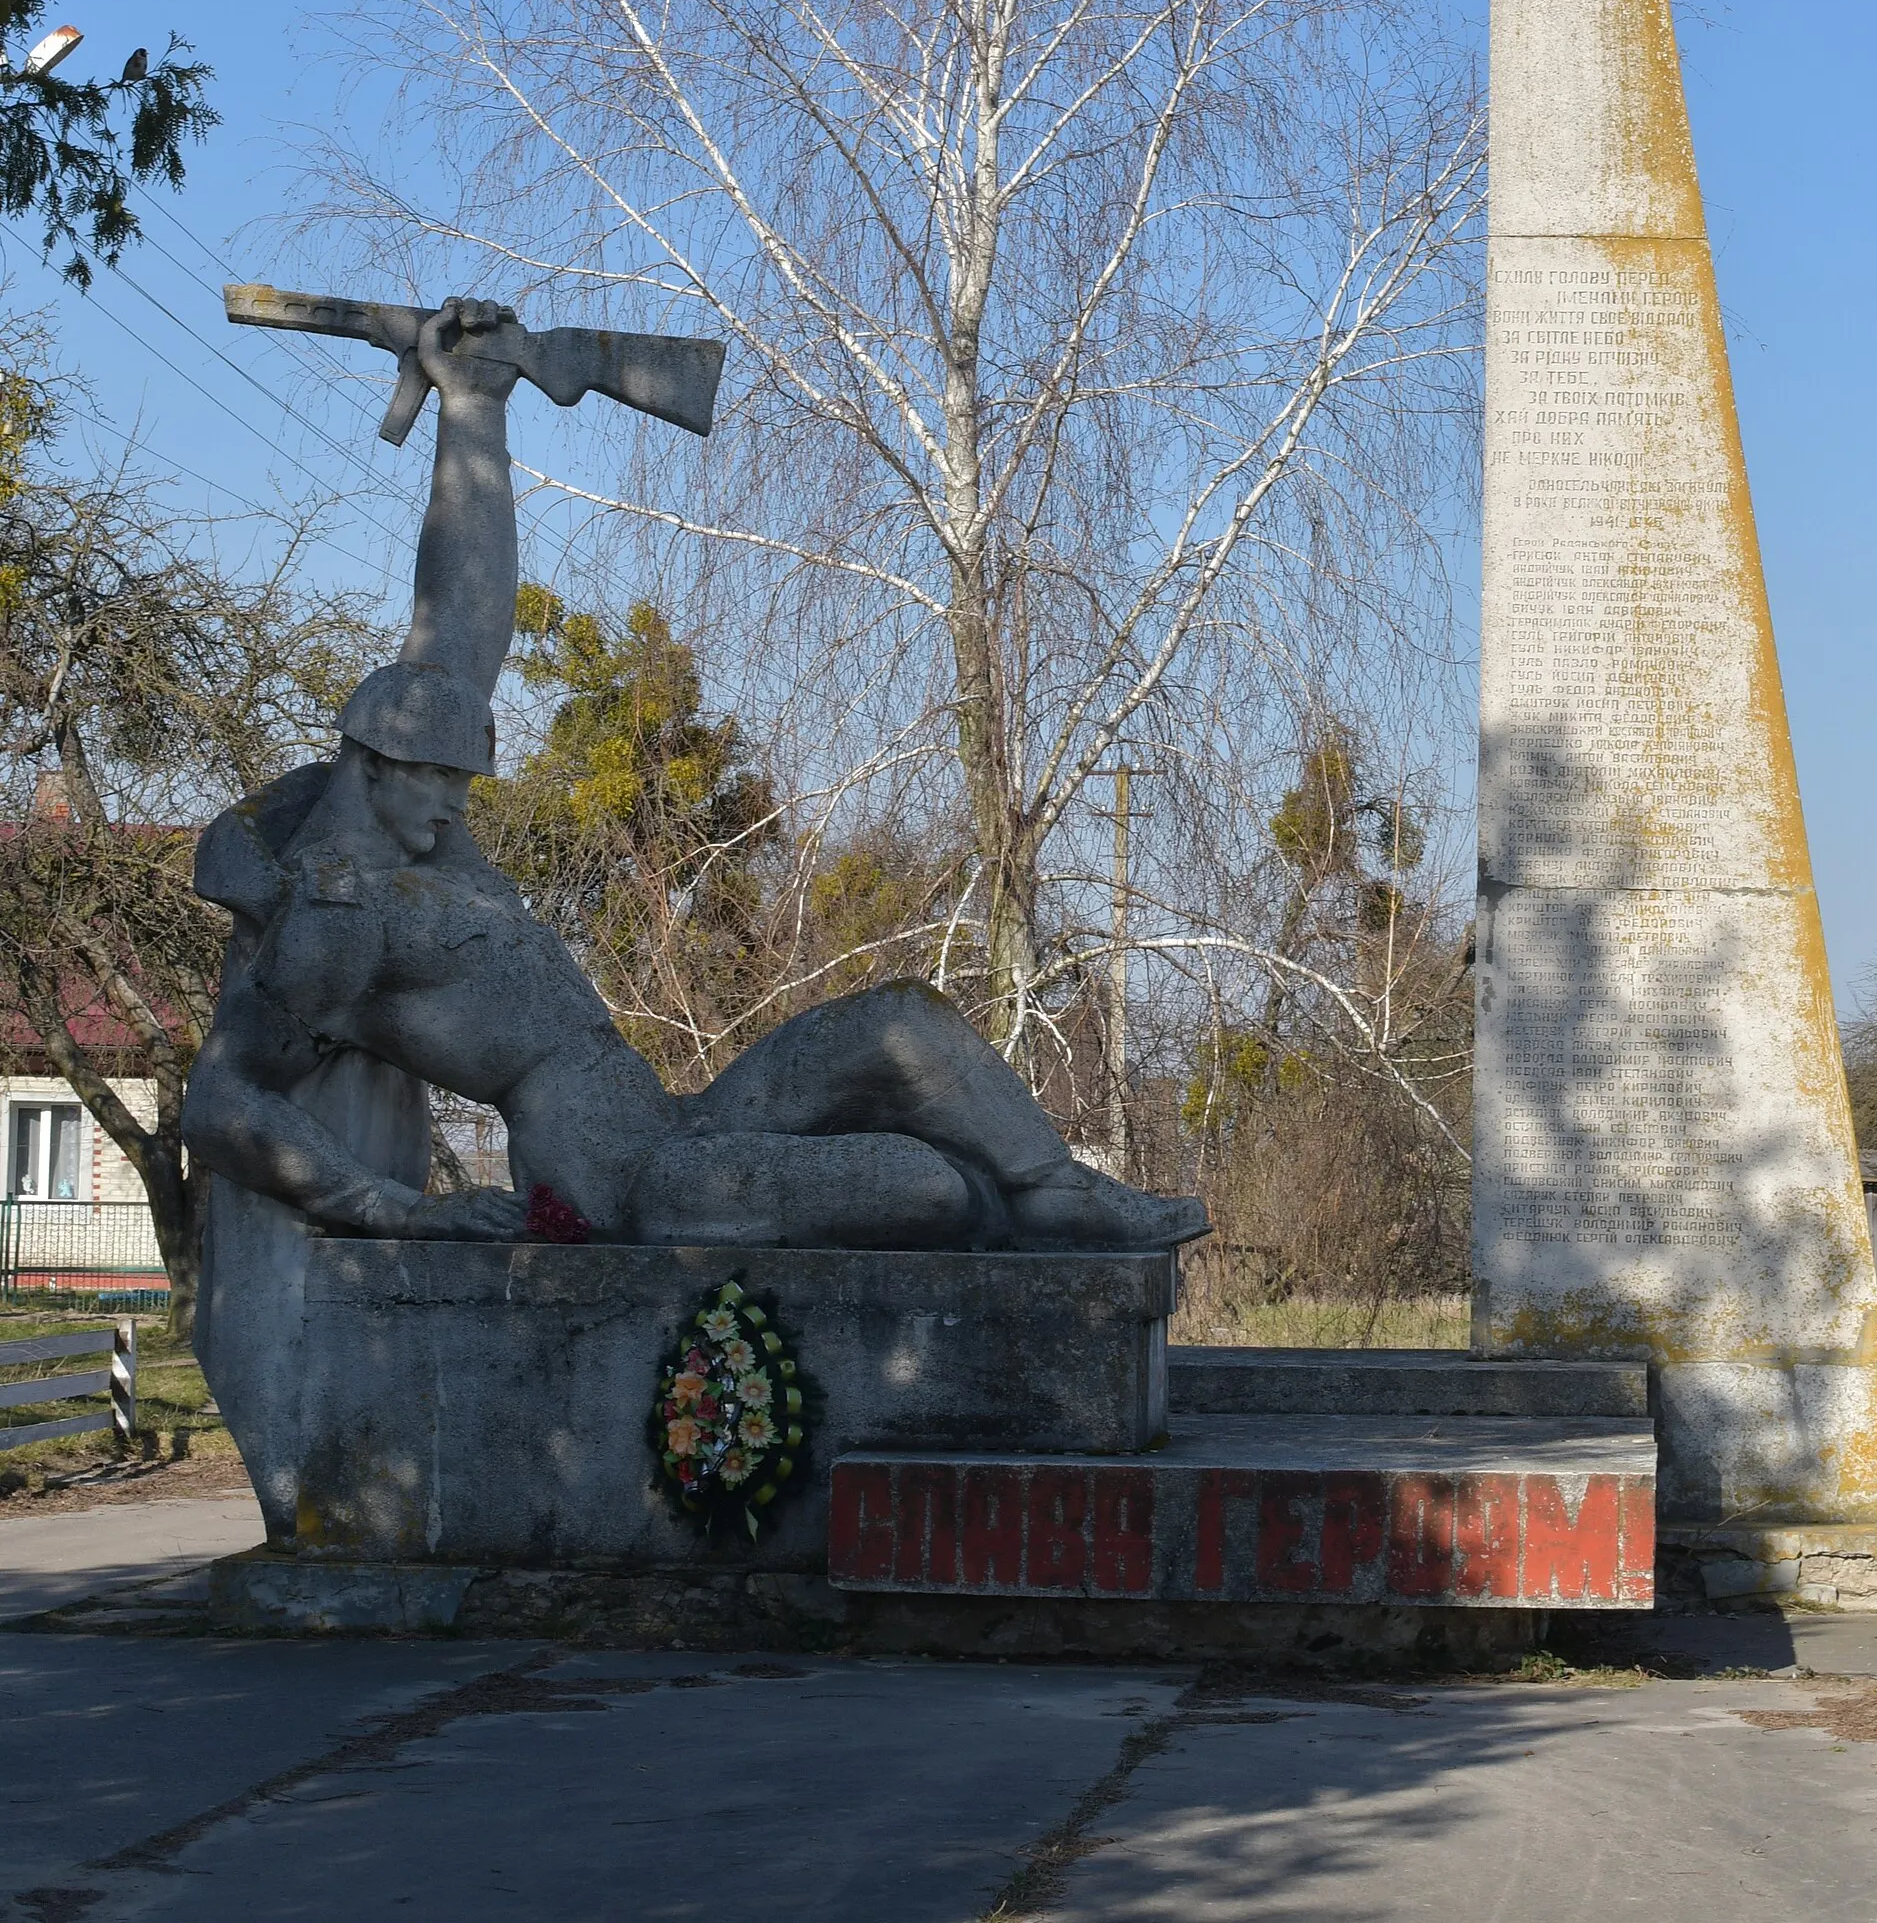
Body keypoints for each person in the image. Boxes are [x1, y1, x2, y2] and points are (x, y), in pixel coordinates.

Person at [184, 298, 1208, 1264]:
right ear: (371, 764)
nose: (460, 803)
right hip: (619, 1185)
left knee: (903, 1023)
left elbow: (460, 624)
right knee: (921, 1185)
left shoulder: (427, 844)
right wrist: (398, 1212)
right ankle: (996, 1215)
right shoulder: (330, 913)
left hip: (667, 1128)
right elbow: (223, 1102)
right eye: (441, 779)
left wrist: (473, 406)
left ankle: (1049, 1189)